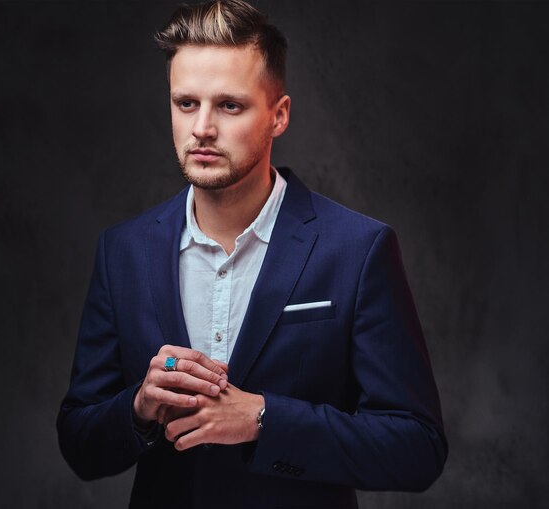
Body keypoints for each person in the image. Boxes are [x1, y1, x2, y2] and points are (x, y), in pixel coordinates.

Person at [56, 1, 447, 507]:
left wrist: (264, 420)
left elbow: (418, 448)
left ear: (278, 115)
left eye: (230, 106)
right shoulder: (123, 250)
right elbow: (79, 445)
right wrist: (138, 406)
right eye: (186, 103)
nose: (201, 128)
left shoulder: (358, 249)